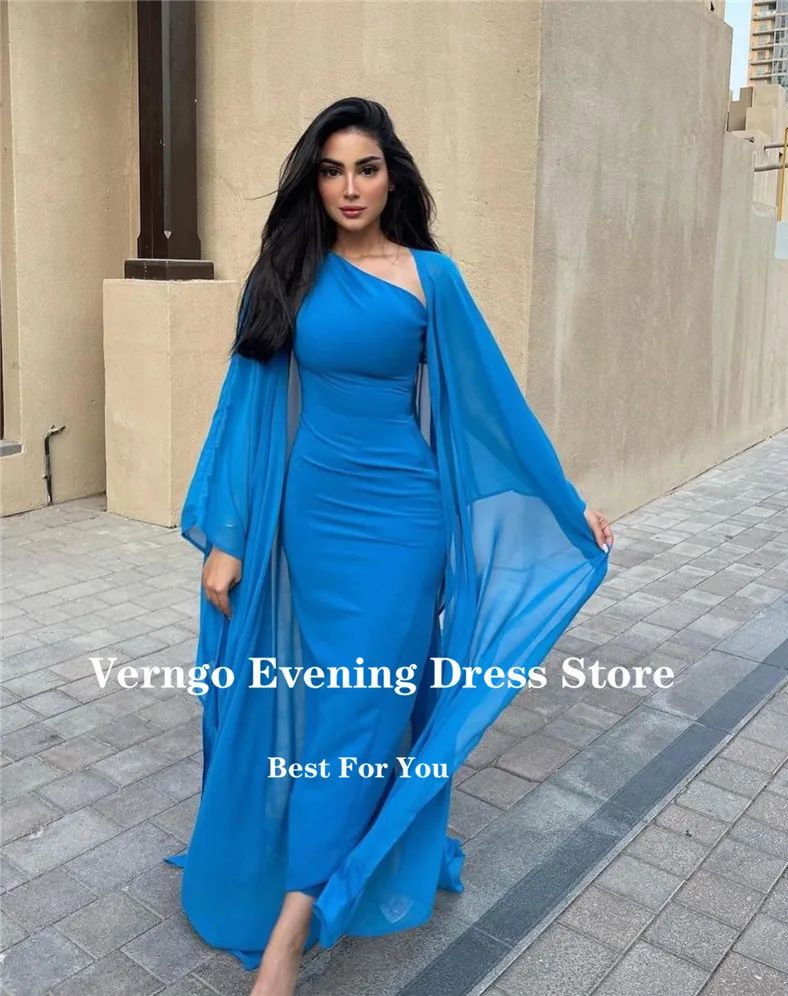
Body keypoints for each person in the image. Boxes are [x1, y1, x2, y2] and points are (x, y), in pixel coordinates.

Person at [165, 97, 613, 996]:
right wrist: (230, 537)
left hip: (406, 527)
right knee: (336, 704)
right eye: (332, 170)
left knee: (357, 712)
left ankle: (291, 931)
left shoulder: (430, 279)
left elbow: (494, 406)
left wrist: (568, 504)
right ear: (313, 182)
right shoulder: (284, 275)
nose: (349, 187)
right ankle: (339, 856)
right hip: (311, 524)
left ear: (391, 176)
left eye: (365, 168)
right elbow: (243, 414)